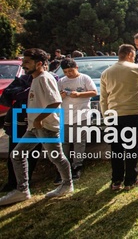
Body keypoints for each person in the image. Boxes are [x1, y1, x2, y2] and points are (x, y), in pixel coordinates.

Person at [0, 48, 73, 206]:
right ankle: (22, 190)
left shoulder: (43, 78)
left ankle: (67, 184)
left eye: (27, 62)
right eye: (23, 61)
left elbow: (55, 102)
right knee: (17, 154)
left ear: (39, 63)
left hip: (46, 127)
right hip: (34, 128)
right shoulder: (35, 78)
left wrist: (39, 119)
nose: (23, 65)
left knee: (57, 157)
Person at [100, 44, 138, 191]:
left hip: (113, 114)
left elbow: (103, 98)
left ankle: (116, 181)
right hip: (132, 113)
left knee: (116, 148)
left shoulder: (106, 72)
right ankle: (130, 180)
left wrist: (106, 115)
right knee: (132, 147)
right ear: (131, 55)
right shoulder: (136, 68)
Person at [0, 74, 41, 193]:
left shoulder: (50, 78)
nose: (24, 65)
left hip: (37, 121)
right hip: (18, 121)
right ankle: (12, 182)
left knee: (33, 152)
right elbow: (7, 95)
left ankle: (26, 181)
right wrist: (28, 91)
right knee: (14, 150)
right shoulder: (22, 80)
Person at [58, 58, 97, 181]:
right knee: (64, 142)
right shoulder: (61, 81)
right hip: (64, 115)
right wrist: (61, 96)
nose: (69, 74)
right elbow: (55, 97)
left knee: (79, 141)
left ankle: (77, 165)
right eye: (66, 72)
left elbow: (94, 92)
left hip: (81, 114)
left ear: (76, 68)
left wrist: (80, 94)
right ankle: (64, 166)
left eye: (71, 71)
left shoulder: (84, 78)